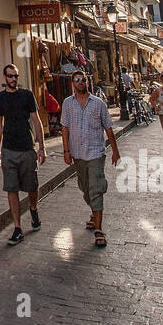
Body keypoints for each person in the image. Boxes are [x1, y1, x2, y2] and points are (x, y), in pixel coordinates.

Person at [61, 70, 119, 247]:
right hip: (78, 154)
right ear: (73, 83)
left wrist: (115, 150)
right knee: (85, 188)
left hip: (95, 153)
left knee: (95, 188)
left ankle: (99, 229)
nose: (80, 82)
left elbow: (108, 128)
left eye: (82, 80)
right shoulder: (68, 104)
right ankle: (94, 214)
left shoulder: (98, 104)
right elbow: (64, 128)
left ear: (87, 82)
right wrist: (66, 150)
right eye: (76, 80)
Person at [0, 63, 46, 245]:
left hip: (27, 147)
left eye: (15, 76)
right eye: (10, 76)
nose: (13, 79)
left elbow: (36, 121)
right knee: (11, 188)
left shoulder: (27, 95)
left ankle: (33, 208)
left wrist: (42, 147)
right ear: (4, 77)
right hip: (8, 149)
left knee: (32, 187)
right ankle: (17, 227)